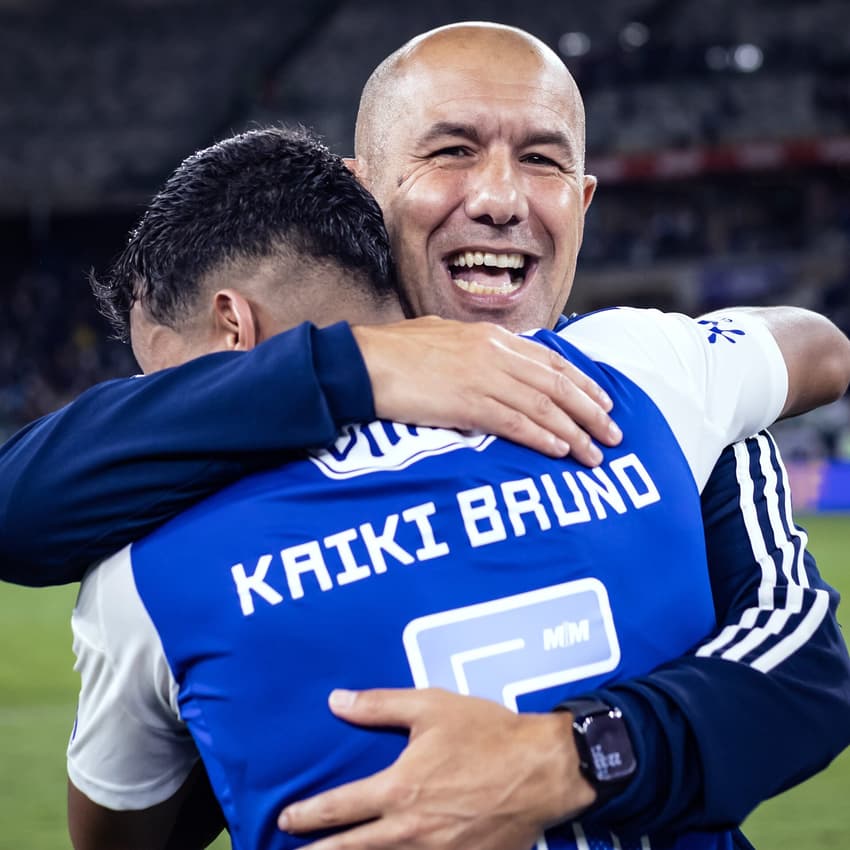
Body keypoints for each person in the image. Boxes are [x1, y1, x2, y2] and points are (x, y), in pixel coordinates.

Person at [1, 20, 848, 850]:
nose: (500, 199)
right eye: (451, 152)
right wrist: (356, 367)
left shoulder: (656, 379)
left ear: (582, 201)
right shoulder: (650, 375)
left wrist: (569, 754)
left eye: (544, 160)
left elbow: (806, 671)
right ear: (366, 193)